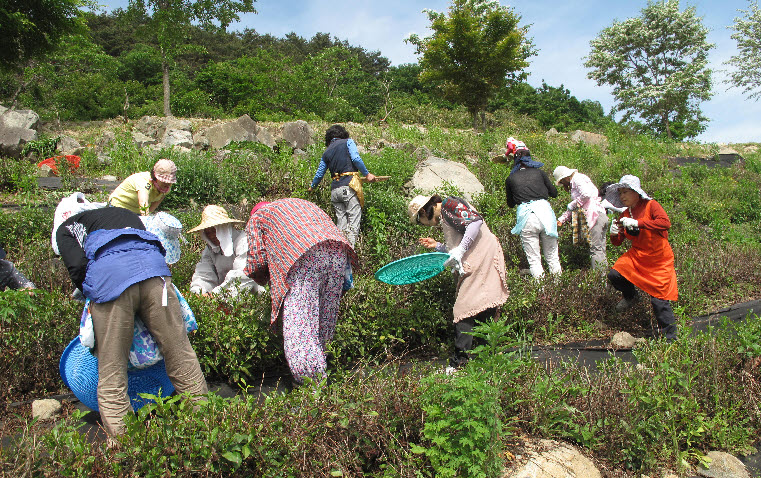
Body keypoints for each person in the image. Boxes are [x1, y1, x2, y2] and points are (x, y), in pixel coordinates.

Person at [55, 206, 208, 436]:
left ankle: (125, 445)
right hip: (156, 275)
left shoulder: (65, 229)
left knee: (112, 370)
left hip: (111, 277)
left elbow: (77, 267)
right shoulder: (126, 214)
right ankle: (206, 424)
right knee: (180, 353)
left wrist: (95, 296)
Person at [243, 198, 358, 385]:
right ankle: (322, 370)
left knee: (300, 325)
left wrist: (262, 279)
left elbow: (257, 260)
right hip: (338, 251)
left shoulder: (258, 217)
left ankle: (311, 385)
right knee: (324, 319)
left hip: (305, 256)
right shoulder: (296, 205)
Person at [408, 194, 509, 370]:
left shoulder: (449, 204)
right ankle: (489, 355)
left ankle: (459, 362)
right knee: (484, 306)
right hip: (480, 257)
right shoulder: (446, 215)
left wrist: (461, 250)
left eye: (420, 222)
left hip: (483, 257)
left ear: (424, 212)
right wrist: (437, 246)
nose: (424, 225)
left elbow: (474, 223)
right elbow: (458, 244)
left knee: (463, 308)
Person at [605, 175, 678, 340]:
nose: (622, 196)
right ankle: (631, 296)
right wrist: (614, 234)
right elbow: (617, 242)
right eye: (620, 193)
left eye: (625, 192)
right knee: (615, 274)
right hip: (638, 256)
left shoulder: (651, 205)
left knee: (659, 300)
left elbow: (665, 223)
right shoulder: (625, 213)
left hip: (659, 258)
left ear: (636, 192)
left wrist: (638, 223)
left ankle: (670, 337)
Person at [307, 125, 377, 247]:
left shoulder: (326, 152)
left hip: (335, 190)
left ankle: (340, 252)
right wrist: (367, 174)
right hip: (348, 186)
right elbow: (356, 159)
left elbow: (319, 173)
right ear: (343, 134)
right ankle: (350, 251)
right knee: (353, 220)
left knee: (341, 224)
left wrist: (312, 187)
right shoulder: (348, 142)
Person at [504, 148, 561, 278]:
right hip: (545, 215)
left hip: (526, 217)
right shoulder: (539, 173)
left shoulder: (511, 178)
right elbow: (554, 193)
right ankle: (559, 285)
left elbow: (510, 204)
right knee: (552, 257)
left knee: (534, 261)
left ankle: (541, 288)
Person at [188, 205, 263, 297]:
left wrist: (215, 295)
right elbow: (203, 274)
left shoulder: (244, 242)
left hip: (253, 297)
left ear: (224, 228)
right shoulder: (210, 250)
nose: (211, 236)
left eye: (214, 231)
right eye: (208, 232)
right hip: (224, 297)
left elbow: (243, 275)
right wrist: (198, 292)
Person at [553, 166, 610, 270]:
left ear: (564, 178)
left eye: (562, 181)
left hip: (594, 216)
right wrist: (562, 219)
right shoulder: (580, 180)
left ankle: (599, 278)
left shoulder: (577, 178)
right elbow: (577, 205)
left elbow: (586, 195)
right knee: (600, 249)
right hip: (600, 214)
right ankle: (604, 277)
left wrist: (573, 204)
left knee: (595, 250)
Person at [108, 159, 177, 215]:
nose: (167, 184)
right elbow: (143, 203)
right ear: (155, 177)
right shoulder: (144, 182)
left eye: (170, 181)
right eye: (164, 181)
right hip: (119, 206)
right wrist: (145, 219)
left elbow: (153, 206)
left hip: (136, 212)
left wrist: (147, 218)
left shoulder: (166, 189)